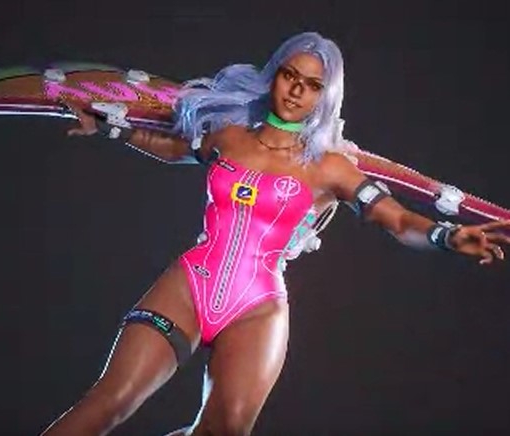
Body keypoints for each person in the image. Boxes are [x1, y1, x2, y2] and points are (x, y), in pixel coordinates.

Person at [42, 32, 509, 435]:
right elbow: (169, 147)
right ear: (275, 76)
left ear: (325, 96)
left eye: (313, 85)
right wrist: (112, 130)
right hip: (191, 283)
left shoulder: (331, 168)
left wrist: (447, 236)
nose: (296, 90)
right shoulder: (229, 137)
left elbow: (399, 220)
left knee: (226, 430)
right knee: (110, 400)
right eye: (290, 76)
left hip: (258, 306)